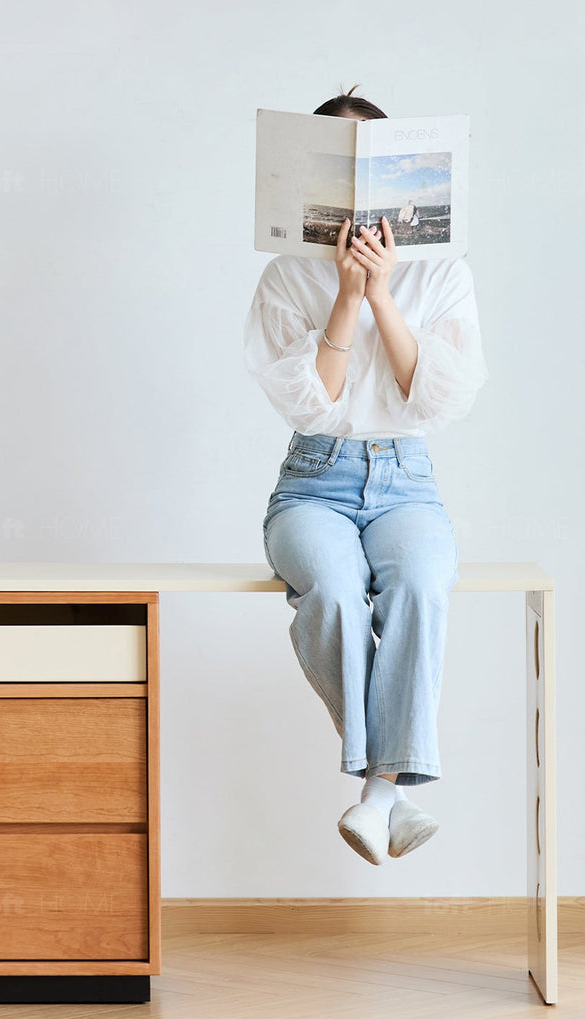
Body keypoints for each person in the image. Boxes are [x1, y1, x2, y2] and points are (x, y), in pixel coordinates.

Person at [243, 86, 487, 865]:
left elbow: (437, 400)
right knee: (335, 591)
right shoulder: (287, 276)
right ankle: (392, 792)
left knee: (421, 584)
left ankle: (379, 795)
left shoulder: (443, 274)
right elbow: (311, 403)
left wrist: (382, 294)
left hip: (406, 478)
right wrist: (346, 296)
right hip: (314, 480)